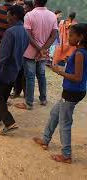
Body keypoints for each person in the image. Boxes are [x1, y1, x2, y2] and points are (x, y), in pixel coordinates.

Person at [33, 23, 87, 164]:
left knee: (64, 123)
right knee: (55, 114)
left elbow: (77, 77)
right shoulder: (80, 51)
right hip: (72, 91)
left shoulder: (80, 53)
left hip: (72, 92)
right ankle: (45, 139)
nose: (68, 38)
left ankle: (66, 155)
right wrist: (60, 67)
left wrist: (59, 72)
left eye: (71, 35)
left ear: (81, 37)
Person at [0, 5, 29, 135]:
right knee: (4, 95)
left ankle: (9, 122)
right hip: (15, 68)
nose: (6, 17)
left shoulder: (10, 32)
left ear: (14, 16)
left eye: (8, 14)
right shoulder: (24, 32)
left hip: (5, 70)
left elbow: (4, 56)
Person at [15, 0, 58, 110]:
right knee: (42, 75)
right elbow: (53, 36)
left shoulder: (29, 15)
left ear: (34, 2)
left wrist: (39, 49)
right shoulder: (53, 16)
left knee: (30, 77)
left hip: (29, 52)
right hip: (44, 53)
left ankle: (29, 103)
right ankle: (43, 99)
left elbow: (28, 36)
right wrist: (43, 50)